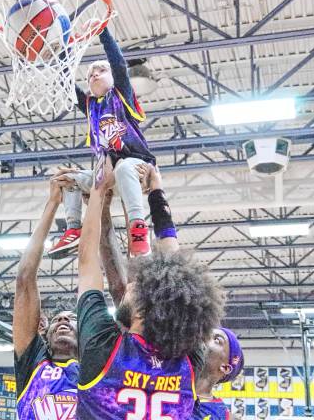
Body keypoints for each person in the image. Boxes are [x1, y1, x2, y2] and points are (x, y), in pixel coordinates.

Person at [76, 160, 226, 419]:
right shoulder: (187, 362)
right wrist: (154, 193)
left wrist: (100, 191)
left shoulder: (104, 348)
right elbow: (177, 275)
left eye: (135, 286)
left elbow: (88, 261)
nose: (129, 286)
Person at [14, 171, 127, 419]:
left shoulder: (101, 363)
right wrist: (53, 203)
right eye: (57, 320)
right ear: (44, 332)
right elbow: (24, 280)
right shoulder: (32, 363)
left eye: (71, 318)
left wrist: (103, 210)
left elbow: (120, 290)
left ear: (86, 329)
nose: (63, 321)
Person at [47, 25, 156, 259]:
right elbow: (67, 83)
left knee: (124, 166)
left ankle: (138, 228)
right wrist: (59, 57)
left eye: (100, 72)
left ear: (112, 78)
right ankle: (73, 229)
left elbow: (118, 66)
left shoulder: (121, 95)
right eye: (90, 75)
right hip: (107, 176)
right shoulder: (90, 106)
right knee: (68, 180)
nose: (94, 75)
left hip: (139, 168)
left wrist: (102, 31)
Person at [191, 328, 245, 420]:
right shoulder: (167, 379)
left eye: (217, 340)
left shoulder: (224, 417)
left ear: (225, 368)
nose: (203, 337)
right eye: (205, 332)